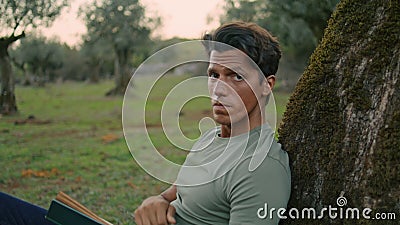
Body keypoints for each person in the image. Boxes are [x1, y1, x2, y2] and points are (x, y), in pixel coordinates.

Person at [134, 22, 291, 225]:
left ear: (266, 85)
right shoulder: (210, 137)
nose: (219, 90)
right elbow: (177, 191)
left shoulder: (261, 168)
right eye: (214, 75)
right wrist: (157, 201)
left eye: (236, 76)